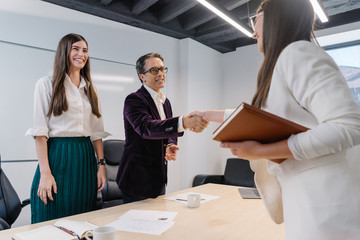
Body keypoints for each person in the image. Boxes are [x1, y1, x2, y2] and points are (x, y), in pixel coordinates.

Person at [191, 0, 360, 239]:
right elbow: (265, 119)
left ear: (275, 17)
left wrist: (262, 151)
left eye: (255, 18)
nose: (253, 31)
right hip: (307, 197)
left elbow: (349, 127)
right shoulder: (283, 61)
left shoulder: (297, 52)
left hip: (327, 203)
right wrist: (208, 115)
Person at [26, 33, 110, 223]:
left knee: (82, 219)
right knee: (49, 216)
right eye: (76, 49)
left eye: (85, 50)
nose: (82, 54)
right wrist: (45, 173)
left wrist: (101, 166)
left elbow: (97, 132)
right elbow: (40, 134)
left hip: (84, 157)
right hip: (56, 155)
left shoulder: (91, 90)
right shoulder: (46, 84)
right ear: (65, 51)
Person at [116, 52, 208, 203]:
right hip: (136, 179)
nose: (160, 74)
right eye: (154, 70)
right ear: (142, 77)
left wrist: (170, 143)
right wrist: (183, 122)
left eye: (162, 69)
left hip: (158, 176)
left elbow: (166, 129)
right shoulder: (134, 99)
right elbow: (146, 128)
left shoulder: (165, 102)